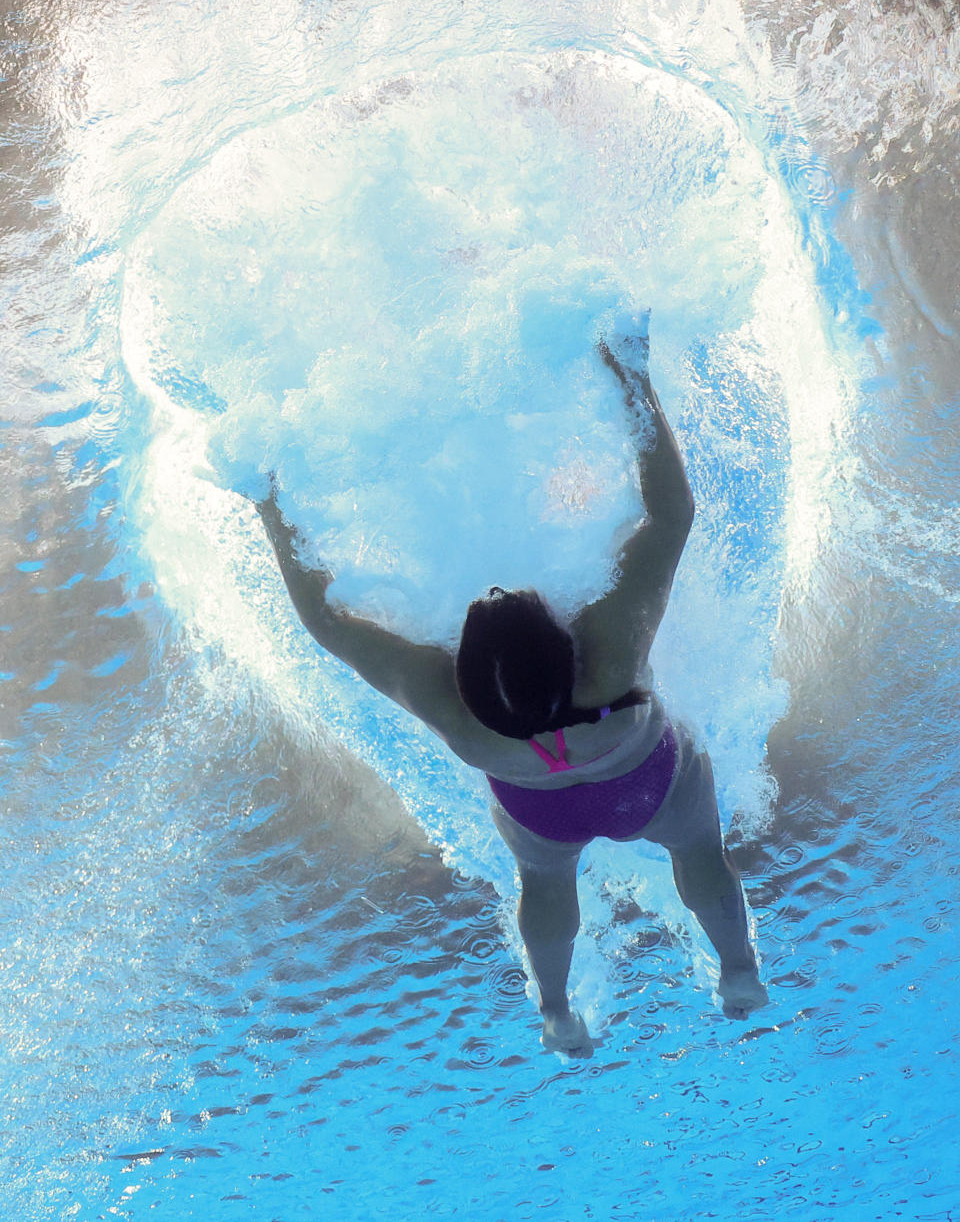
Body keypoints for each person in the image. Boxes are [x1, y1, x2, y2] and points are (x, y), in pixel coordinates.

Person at [254, 325, 768, 1058]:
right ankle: (740, 971)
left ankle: (557, 1012)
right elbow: (673, 515)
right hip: (649, 780)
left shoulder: (454, 711)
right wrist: (631, 376)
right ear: (564, 638)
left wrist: (269, 503)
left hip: (541, 810)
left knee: (547, 886)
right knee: (700, 855)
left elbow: (326, 625)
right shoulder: (607, 659)